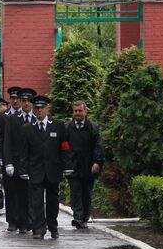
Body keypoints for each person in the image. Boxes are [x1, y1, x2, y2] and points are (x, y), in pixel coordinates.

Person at [19, 95, 73, 240]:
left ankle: (53, 227)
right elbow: (24, 151)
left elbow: (65, 147)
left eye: (42, 107)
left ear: (47, 108)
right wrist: (23, 170)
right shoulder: (27, 128)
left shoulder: (58, 125)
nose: (40, 110)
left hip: (53, 170)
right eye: (37, 108)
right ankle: (38, 229)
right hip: (35, 170)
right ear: (34, 109)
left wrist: (67, 166)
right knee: (36, 202)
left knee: (53, 201)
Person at [66, 101, 105, 230]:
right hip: (73, 166)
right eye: (75, 111)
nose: (77, 113)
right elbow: (63, 146)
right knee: (75, 192)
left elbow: (98, 146)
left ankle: (84, 218)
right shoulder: (67, 128)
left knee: (86, 193)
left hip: (88, 167)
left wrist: (97, 162)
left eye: (80, 111)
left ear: (85, 112)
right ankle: (77, 217)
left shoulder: (93, 127)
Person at [3, 87, 36, 233]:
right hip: (16, 162)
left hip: (33, 164)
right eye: (24, 101)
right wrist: (8, 162)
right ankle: (17, 221)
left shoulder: (37, 119)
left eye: (29, 101)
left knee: (31, 194)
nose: (26, 104)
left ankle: (28, 221)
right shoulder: (12, 119)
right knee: (17, 193)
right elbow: (7, 142)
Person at [0, 86, 22, 232]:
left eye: (18, 98)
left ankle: (24, 220)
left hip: (23, 159)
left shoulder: (26, 115)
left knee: (23, 191)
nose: (16, 101)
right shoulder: (2, 116)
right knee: (10, 191)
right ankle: (11, 220)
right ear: (9, 99)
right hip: (7, 157)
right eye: (13, 98)